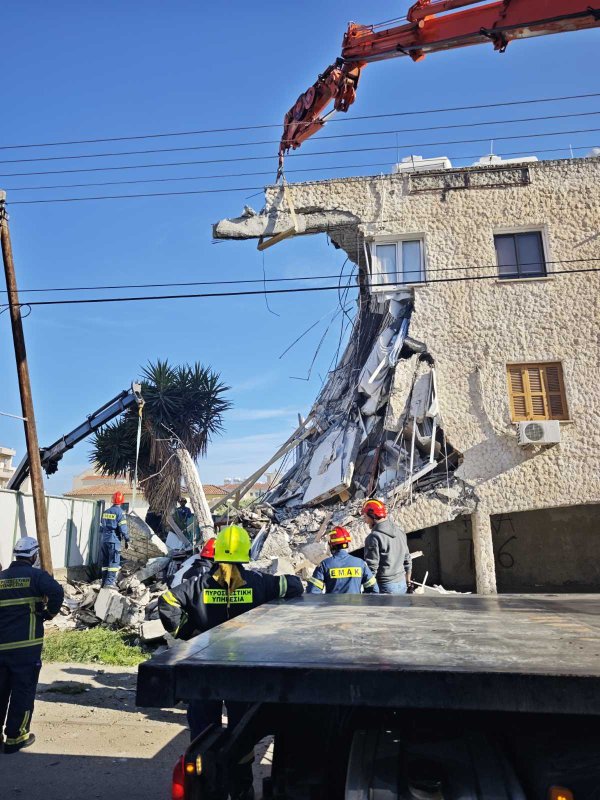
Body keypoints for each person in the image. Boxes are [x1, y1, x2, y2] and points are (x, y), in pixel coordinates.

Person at [159, 524, 303, 800]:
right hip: (242, 673)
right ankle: (240, 788)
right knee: (242, 734)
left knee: (203, 732)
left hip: (204, 670)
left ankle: (205, 786)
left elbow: (166, 602)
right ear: (244, 554)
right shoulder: (258, 582)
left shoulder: (198, 584)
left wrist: (187, 633)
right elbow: (292, 585)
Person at [0, 536, 64, 754]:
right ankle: (15, 738)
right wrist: (49, 613)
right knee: (22, 692)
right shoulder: (36, 576)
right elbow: (57, 592)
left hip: (1, 648)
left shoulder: (1, 578)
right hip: (26, 649)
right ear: (34, 556)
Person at [306, 527, 378, 594]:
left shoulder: (325, 565)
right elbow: (373, 589)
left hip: (332, 607)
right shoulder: (360, 563)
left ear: (331, 545)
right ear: (347, 544)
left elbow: (313, 591)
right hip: (356, 607)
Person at [362, 499, 412, 594]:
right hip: (402, 584)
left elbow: (372, 567)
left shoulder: (373, 538)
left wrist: (368, 590)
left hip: (386, 586)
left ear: (373, 516)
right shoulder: (400, 532)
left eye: (365, 517)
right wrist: (408, 581)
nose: (365, 521)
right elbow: (407, 560)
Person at [99, 491, 129, 588]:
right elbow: (123, 529)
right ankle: (109, 583)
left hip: (104, 540)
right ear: (122, 501)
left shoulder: (106, 512)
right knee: (114, 562)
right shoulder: (120, 513)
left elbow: (101, 527)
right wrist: (127, 540)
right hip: (114, 541)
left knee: (105, 563)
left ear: (112, 500)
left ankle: (104, 583)